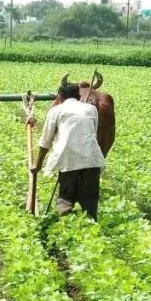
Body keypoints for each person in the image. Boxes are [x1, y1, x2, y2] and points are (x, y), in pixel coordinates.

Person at [32, 79, 106, 220]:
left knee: (65, 199)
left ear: (60, 97)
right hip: (93, 159)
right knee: (90, 202)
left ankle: (66, 227)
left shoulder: (56, 111)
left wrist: (38, 165)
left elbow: (45, 142)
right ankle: (90, 230)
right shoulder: (91, 109)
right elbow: (93, 133)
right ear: (78, 96)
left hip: (68, 160)